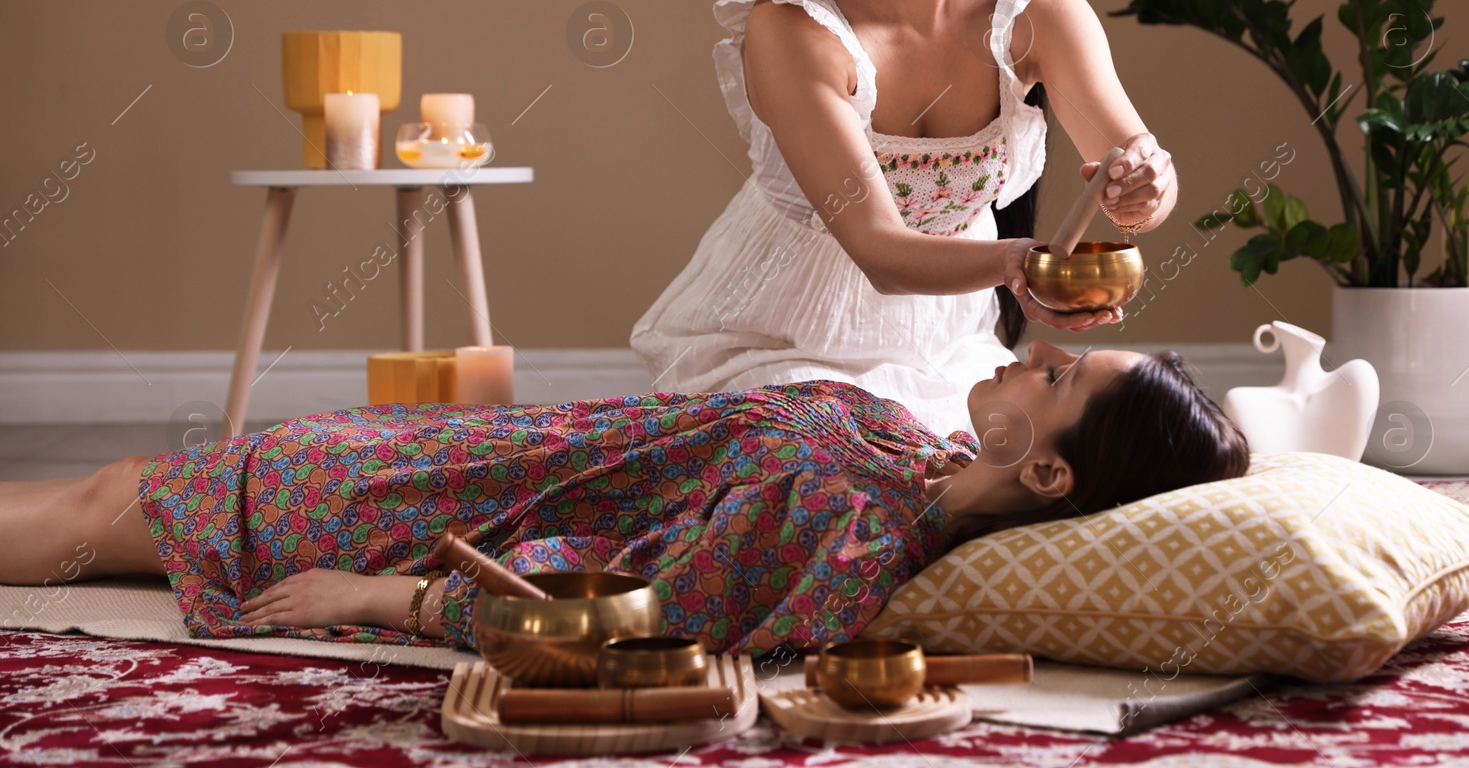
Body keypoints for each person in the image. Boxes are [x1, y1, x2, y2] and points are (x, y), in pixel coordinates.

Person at [0, 343, 1246, 658]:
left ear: (1046, 469)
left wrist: (391, 594)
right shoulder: (906, 448)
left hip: (400, 511)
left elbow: (641, 621)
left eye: (1060, 377)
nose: (1037, 350)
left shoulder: (850, 528)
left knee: (101, 506)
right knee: (103, 496)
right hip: (447, 454)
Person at [631, 0, 1178, 438]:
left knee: (1000, 480)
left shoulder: (1038, 9)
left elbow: (1130, 166)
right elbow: (881, 250)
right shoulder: (793, 24)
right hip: (779, 339)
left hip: (946, 344)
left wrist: (1146, 186)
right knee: (828, 460)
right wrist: (1019, 265)